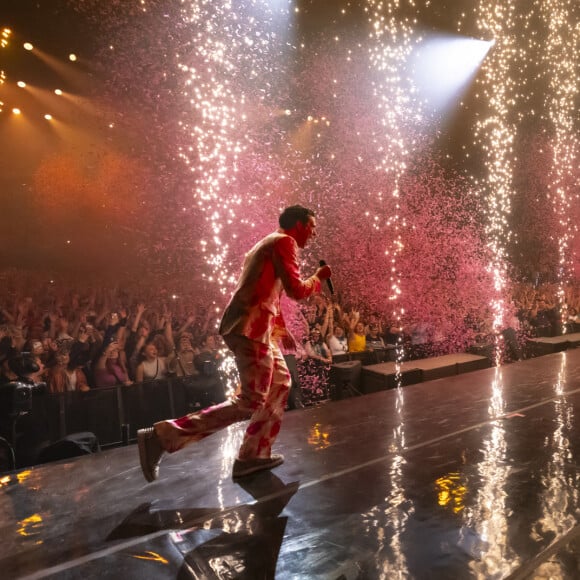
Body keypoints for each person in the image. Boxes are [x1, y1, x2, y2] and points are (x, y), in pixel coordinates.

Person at [137, 205, 331, 482]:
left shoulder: (267, 244)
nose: (314, 233)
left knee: (280, 383)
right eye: (312, 226)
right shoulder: (285, 242)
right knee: (250, 400)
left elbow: (265, 289)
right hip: (250, 329)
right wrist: (318, 279)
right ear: (299, 225)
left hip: (256, 329)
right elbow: (296, 290)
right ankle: (161, 436)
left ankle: (253, 455)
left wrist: (280, 327)